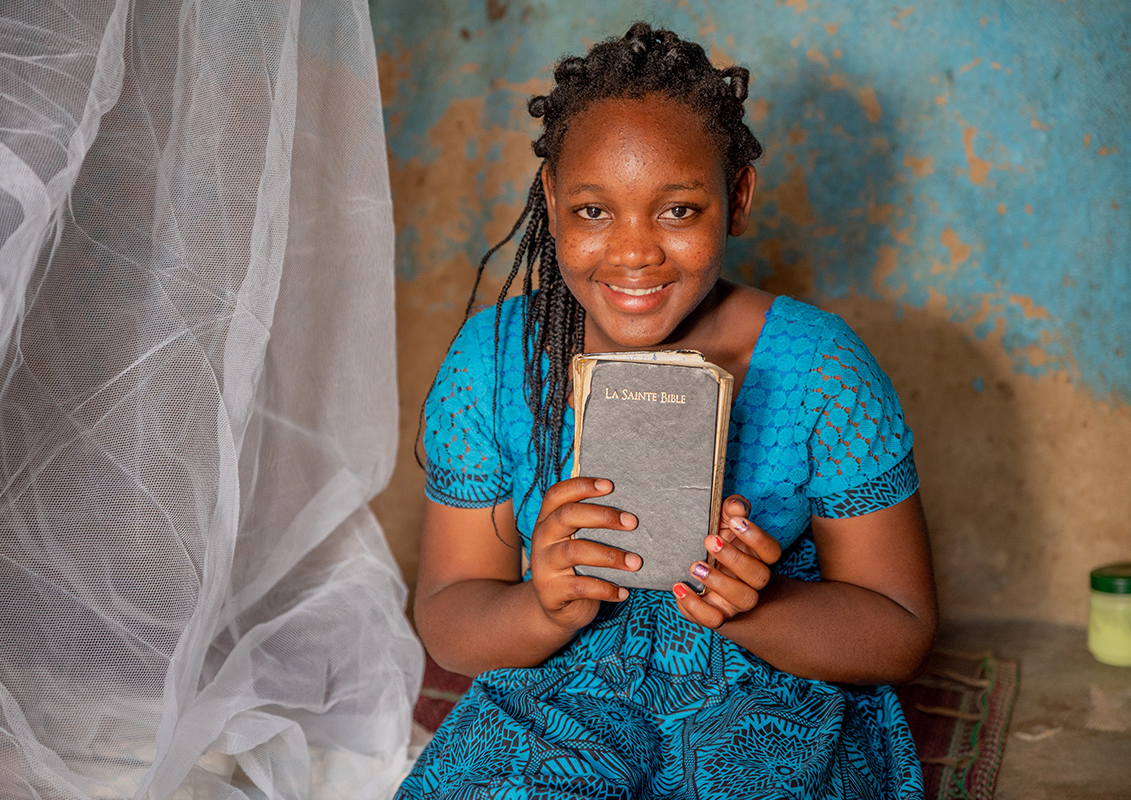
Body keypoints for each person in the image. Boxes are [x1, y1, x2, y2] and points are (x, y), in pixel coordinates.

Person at [397, 22, 937, 800]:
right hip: (557, 700)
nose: (633, 253)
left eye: (677, 211)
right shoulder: (492, 361)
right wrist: (543, 605)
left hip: (769, 700)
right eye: (593, 212)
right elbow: (450, 615)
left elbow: (900, 629)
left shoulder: (821, 366)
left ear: (737, 198)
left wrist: (757, 606)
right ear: (550, 203)